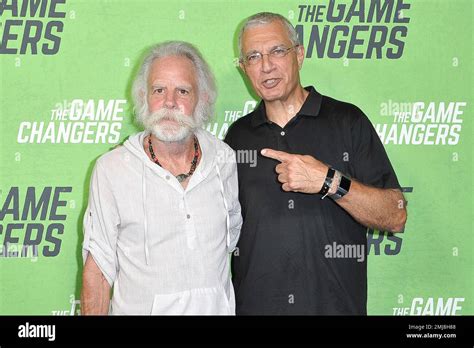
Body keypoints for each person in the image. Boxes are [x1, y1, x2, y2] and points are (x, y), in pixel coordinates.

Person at [224, 12, 407, 315]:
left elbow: (395, 215)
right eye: (253, 57)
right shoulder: (237, 136)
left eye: (277, 51)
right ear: (244, 68)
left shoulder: (347, 121)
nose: (266, 65)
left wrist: (328, 180)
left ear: (299, 54)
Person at [81, 41, 242, 315]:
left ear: (202, 99)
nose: (170, 103)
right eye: (159, 90)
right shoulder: (111, 169)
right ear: (144, 97)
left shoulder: (224, 159)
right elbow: (97, 273)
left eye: (183, 91)